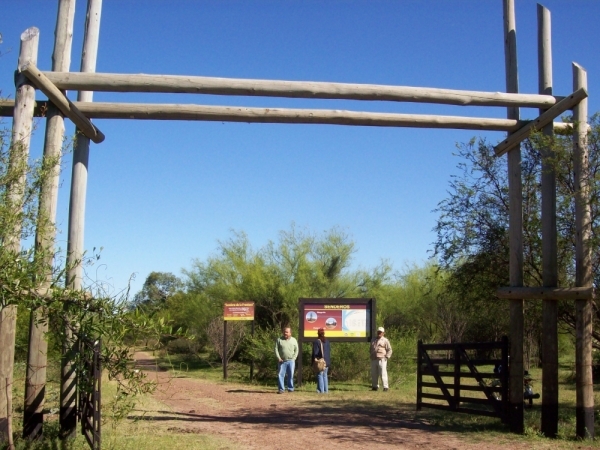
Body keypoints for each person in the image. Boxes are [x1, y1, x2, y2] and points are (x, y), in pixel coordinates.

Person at [275, 326, 298, 394]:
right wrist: (278, 358)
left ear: (290, 333)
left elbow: (297, 350)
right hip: (282, 361)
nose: (285, 333)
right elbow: (276, 349)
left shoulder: (294, 340)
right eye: (284, 332)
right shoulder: (279, 340)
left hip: (291, 361)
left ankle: (290, 388)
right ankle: (281, 389)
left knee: (290, 375)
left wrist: (294, 358)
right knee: (281, 375)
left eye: (287, 332)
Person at [370, 326, 392, 391]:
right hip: (374, 359)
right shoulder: (373, 339)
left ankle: (385, 387)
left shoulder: (385, 340)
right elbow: (371, 348)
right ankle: (375, 386)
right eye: (378, 332)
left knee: (383, 373)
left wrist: (387, 357)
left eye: (381, 332)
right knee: (374, 373)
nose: (379, 333)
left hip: (382, 359)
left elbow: (389, 349)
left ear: (383, 333)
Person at [311, 328, 331, 393]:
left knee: (320, 375)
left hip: (321, 361)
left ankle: (321, 391)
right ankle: (326, 391)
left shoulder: (317, 341)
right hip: (327, 361)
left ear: (318, 333)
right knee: (325, 376)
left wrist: (314, 359)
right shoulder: (327, 341)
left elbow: (316, 352)